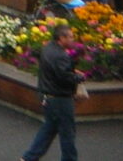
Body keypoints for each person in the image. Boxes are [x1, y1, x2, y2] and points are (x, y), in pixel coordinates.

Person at [19, 21, 81, 161]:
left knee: (49, 129)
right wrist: (77, 77)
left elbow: (54, 71)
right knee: (67, 133)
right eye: (70, 37)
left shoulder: (47, 49)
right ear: (62, 38)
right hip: (61, 100)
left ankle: (29, 157)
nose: (72, 40)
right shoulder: (61, 56)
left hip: (47, 96)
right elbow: (64, 77)